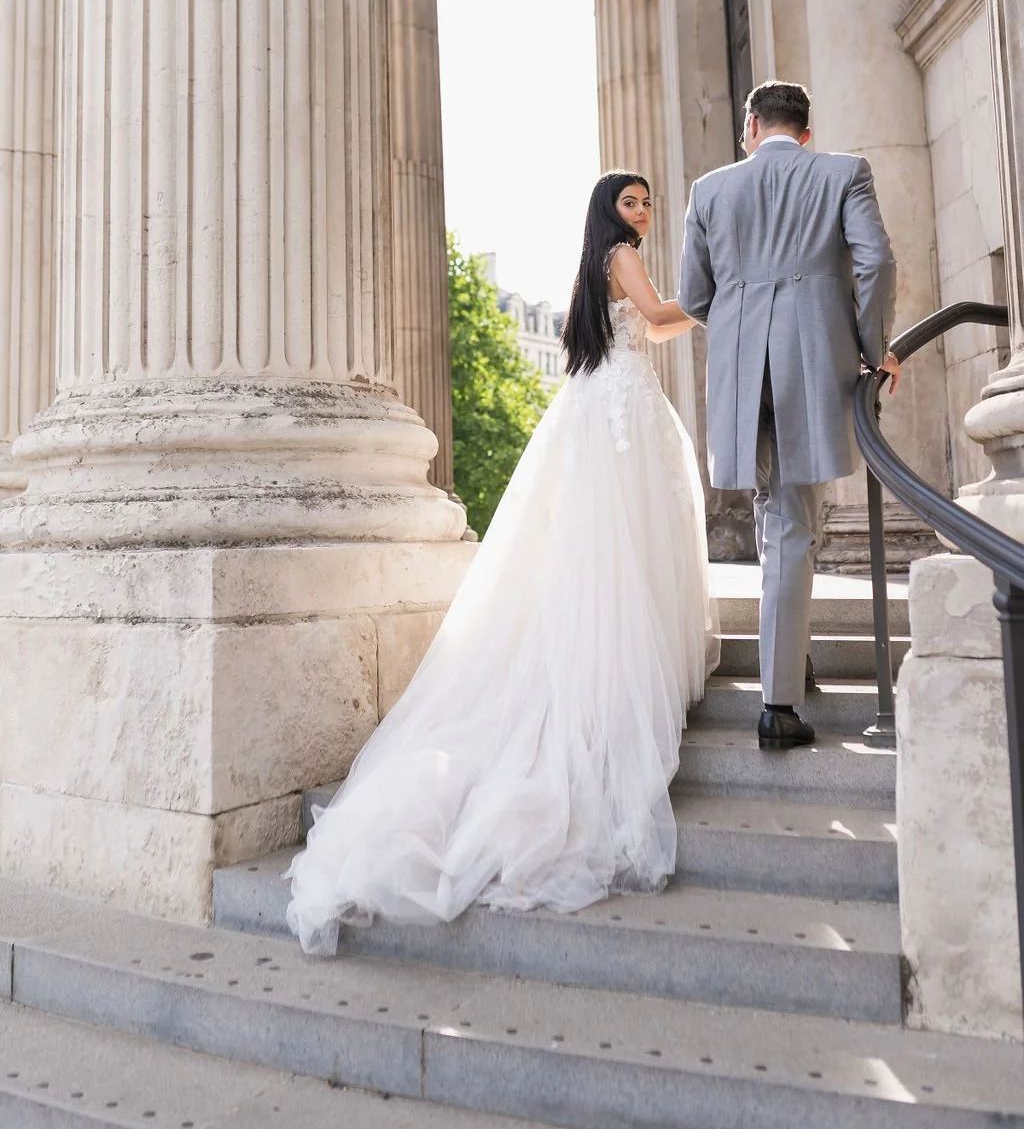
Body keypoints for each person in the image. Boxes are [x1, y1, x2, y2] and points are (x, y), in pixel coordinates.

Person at [286, 171, 720, 954]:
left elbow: (645, 329)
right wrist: (719, 296)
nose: (643, 213)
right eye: (632, 201)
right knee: (633, 534)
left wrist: (676, 316)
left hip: (606, 398)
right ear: (608, 214)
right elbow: (657, 317)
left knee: (611, 541)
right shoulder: (621, 254)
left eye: (648, 202)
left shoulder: (595, 266)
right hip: (621, 403)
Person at [679, 80, 899, 751]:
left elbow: (693, 295)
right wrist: (873, 349)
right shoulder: (844, 172)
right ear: (806, 130)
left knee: (776, 508)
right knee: (795, 521)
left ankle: (788, 644)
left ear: (750, 126)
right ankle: (778, 706)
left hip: (744, 368)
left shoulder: (710, 190)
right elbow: (878, 262)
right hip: (811, 361)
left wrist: (745, 329)